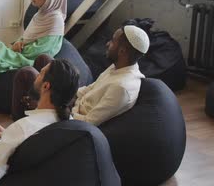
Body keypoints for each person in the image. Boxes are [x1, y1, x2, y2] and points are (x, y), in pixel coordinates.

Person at [12, 25, 150, 125]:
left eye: (113, 41)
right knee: (45, 59)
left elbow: (89, 122)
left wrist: (53, 108)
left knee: (27, 74)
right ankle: (32, 108)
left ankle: (20, 129)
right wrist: (64, 95)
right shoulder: (118, 67)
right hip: (70, 106)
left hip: (70, 121)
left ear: (122, 51)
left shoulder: (122, 88)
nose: (108, 43)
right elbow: (87, 90)